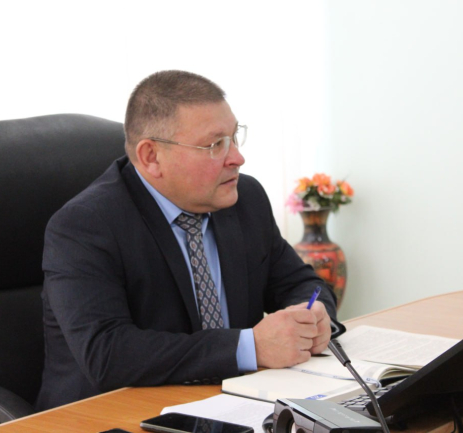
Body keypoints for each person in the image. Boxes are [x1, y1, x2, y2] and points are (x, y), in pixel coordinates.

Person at [35, 70, 345, 411]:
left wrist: (314, 315)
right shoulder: (85, 226)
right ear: (151, 157)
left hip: (236, 403)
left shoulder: (245, 198)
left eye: (234, 137)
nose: (237, 158)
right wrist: (250, 347)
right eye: (215, 145)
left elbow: (300, 283)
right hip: (110, 414)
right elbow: (107, 354)